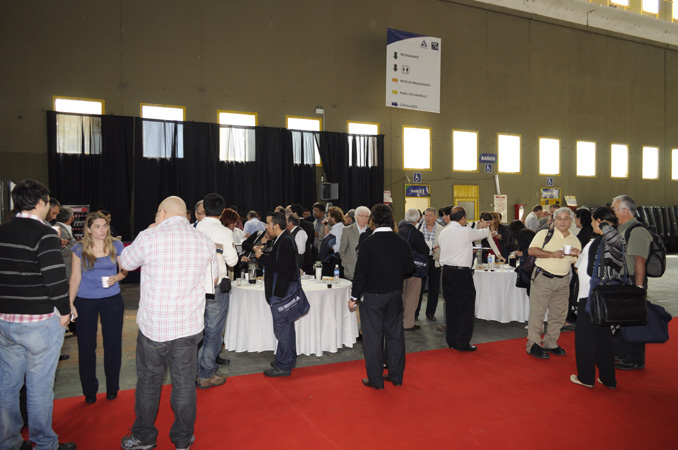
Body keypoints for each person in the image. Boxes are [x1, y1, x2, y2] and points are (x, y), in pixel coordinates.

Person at [119, 196, 217, 450]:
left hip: (155, 327)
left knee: (148, 384)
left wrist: (148, 230)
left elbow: (125, 262)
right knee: (184, 386)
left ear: (162, 213)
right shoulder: (204, 240)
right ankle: (183, 440)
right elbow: (214, 279)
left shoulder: (149, 237)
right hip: (188, 327)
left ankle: (144, 437)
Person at [0, 180, 76, 450]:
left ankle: (8, 441)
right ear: (42, 201)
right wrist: (65, 312)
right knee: (39, 388)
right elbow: (54, 280)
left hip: (6, 321)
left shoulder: (3, 230)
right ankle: (44, 443)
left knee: (8, 385)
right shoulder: (45, 234)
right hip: (39, 323)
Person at [349, 204, 415, 389]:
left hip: (372, 297)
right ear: (392, 220)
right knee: (395, 337)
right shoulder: (401, 241)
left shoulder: (368, 243)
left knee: (373, 339)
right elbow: (410, 268)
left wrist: (354, 297)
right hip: (394, 295)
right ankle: (396, 377)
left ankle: (376, 380)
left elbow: (360, 274)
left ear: (373, 221)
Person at [68, 212, 128, 403]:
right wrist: (70, 303)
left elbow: (124, 270)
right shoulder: (78, 249)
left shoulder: (116, 245)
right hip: (85, 301)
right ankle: (89, 391)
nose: (102, 230)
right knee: (86, 347)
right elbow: (75, 277)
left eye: (104, 226)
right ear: (88, 229)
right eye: (97, 226)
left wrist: (116, 278)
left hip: (112, 300)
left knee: (113, 344)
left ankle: (112, 388)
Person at [571, 206, 624, 389]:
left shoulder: (596, 242)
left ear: (599, 221)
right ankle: (608, 379)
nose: (592, 223)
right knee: (604, 338)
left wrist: (578, 261)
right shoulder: (617, 239)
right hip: (608, 294)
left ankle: (585, 377)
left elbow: (586, 270)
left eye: (593, 220)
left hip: (590, 295)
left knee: (585, 338)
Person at [439, 207, 504, 352]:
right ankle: (462, 342)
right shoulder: (465, 231)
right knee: (465, 308)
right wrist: (487, 226)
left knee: (451, 308)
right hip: (461, 274)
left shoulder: (444, 231)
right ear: (463, 218)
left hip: (446, 272)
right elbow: (482, 233)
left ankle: (451, 340)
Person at [526, 207, 581, 359]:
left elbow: (577, 264)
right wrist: (551, 254)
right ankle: (533, 344)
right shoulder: (544, 234)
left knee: (559, 314)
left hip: (563, 280)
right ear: (554, 220)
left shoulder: (574, 240)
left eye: (566, 219)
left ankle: (550, 342)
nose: (562, 222)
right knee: (538, 313)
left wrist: (579, 255)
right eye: (559, 218)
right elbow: (531, 251)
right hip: (543, 277)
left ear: (571, 221)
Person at [195, 193, 238, 389]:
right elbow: (233, 261)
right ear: (222, 212)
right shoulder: (224, 232)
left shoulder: (193, 229)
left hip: (194, 286)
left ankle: (195, 371)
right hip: (215, 286)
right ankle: (206, 374)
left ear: (203, 209)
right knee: (213, 331)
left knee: (197, 330)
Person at [254, 212, 299, 377]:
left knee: (283, 329)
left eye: (268, 223)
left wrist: (261, 257)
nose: (266, 227)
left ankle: (284, 365)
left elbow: (280, 266)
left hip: (282, 292)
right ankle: (287, 358)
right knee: (287, 327)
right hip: (283, 290)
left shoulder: (285, 240)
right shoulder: (283, 238)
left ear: (276, 225)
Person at [612, 195, 652, 370]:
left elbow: (639, 260)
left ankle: (634, 358)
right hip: (622, 281)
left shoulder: (637, 231)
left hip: (632, 281)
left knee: (633, 320)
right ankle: (621, 353)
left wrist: (639, 288)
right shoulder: (623, 229)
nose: (612, 212)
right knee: (621, 319)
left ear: (625, 210)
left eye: (614, 209)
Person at [398, 209, 429, 331]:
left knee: (402, 295)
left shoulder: (398, 232)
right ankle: (408, 323)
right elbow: (425, 250)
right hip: (414, 270)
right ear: (417, 219)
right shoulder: (417, 234)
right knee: (412, 296)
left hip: (400, 269)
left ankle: (399, 320)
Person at [416, 207, 442, 322]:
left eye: (430, 216)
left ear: (435, 217)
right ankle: (415, 312)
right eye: (426, 215)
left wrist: (439, 248)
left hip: (435, 259)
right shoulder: (418, 228)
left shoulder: (441, 229)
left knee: (434, 288)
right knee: (418, 288)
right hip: (422, 259)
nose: (427, 218)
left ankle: (430, 312)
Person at [338, 206, 370, 280]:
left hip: (368, 272)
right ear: (356, 217)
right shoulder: (347, 230)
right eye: (362, 216)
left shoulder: (371, 231)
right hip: (351, 270)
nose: (365, 219)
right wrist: (345, 264)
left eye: (367, 216)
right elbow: (342, 250)